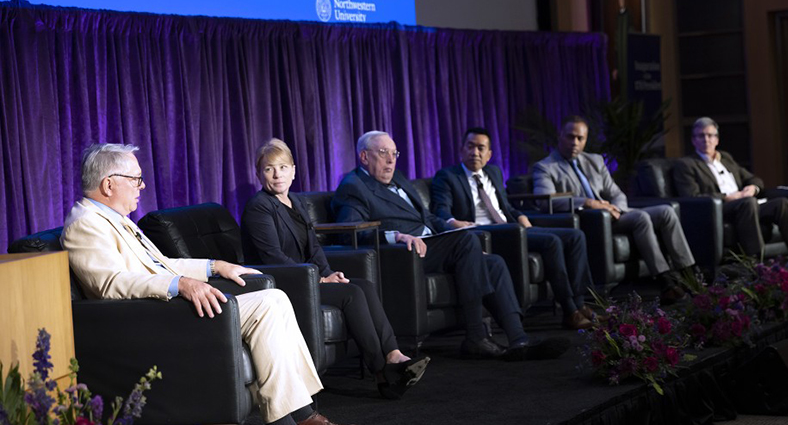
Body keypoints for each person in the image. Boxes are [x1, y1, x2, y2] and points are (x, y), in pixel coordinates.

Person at [60, 143, 340, 425]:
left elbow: (163, 264)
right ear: (109, 184)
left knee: (276, 298)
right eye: (136, 179)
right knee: (267, 304)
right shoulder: (84, 224)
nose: (142, 186)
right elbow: (110, 284)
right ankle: (290, 420)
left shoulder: (117, 220)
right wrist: (180, 285)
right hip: (152, 317)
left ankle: (301, 414)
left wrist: (216, 266)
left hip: (167, 308)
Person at [331, 131, 569, 360]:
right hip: (403, 255)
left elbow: (426, 218)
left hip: (430, 245)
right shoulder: (354, 187)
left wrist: (452, 227)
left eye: (395, 153)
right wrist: (396, 236)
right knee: (466, 241)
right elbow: (351, 232)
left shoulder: (399, 179)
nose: (391, 160)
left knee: (492, 261)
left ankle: (519, 340)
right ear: (364, 156)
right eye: (384, 153)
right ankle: (476, 337)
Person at [240, 138, 430, 399]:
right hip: (284, 284)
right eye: (269, 169)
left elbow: (314, 248)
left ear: (293, 171)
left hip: (307, 277)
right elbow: (272, 257)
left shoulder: (295, 202)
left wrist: (328, 273)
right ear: (259, 174)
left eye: (283, 167)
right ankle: (382, 371)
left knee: (363, 284)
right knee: (349, 293)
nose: (277, 174)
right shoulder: (259, 207)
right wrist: (318, 279)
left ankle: (393, 353)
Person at [431, 127, 596, 329]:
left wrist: (521, 215)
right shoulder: (448, 176)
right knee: (552, 241)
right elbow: (440, 210)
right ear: (461, 150)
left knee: (575, 236)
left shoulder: (494, 172)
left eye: (481, 148)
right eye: (470, 146)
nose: (475, 152)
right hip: (484, 233)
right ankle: (570, 311)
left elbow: (506, 207)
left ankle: (580, 304)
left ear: (489, 154)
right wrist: (453, 222)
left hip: (510, 228)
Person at [531, 116, 696, 303]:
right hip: (589, 220)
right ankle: (665, 281)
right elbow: (545, 202)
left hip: (614, 215)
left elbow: (617, 193)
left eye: (580, 138)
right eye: (570, 137)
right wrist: (587, 202)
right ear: (560, 136)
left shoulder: (595, 161)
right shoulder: (545, 167)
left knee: (666, 211)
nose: (575, 143)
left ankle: (689, 275)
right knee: (640, 217)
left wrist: (618, 210)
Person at [673, 117, 788, 284]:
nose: (706, 139)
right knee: (747, 203)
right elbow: (691, 196)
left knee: (781, 204)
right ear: (693, 140)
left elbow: (754, 180)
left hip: (745, 206)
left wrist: (753, 189)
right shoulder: (686, 165)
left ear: (717, 139)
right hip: (720, 210)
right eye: (700, 136)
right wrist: (727, 197)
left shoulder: (726, 159)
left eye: (710, 135)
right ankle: (758, 268)